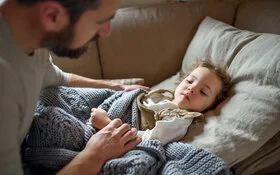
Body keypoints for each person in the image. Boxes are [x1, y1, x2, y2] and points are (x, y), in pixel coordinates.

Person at [0, 0, 150, 174]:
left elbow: (57, 78)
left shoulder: (29, 37)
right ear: (52, 15)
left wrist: (118, 87)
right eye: (100, 21)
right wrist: (96, 154)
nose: (106, 31)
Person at [88, 59, 232, 145]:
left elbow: (149, 140)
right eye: (190, 80)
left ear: (209, 107)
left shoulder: (179, 119)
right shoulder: (161, 96)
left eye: (203, 92)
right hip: (105, 108)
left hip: (110, 128)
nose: (192, 88)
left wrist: (107, 124)